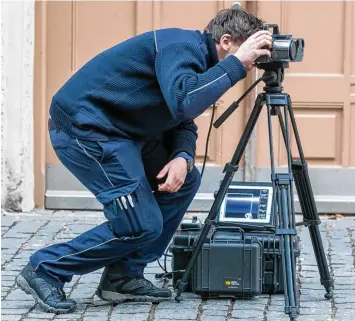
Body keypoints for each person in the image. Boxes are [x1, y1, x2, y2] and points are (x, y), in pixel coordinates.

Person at [16, 8, 271, 313]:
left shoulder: (200, 59)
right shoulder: (180, 47)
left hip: (126, 132)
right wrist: (235, 65)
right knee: (141, 224)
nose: (252, 62)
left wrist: (182, 155)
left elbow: (182, 118)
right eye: (249, 51)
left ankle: (123, 277)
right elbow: (185, 100)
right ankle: (45, 269)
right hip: (87, 131)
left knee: (185, 179)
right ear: (226, 40)